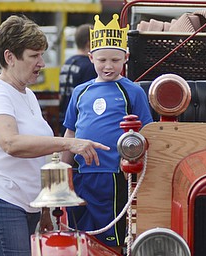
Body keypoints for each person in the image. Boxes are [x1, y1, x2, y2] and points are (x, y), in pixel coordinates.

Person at [0, 15, 110, 256]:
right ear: (10, 57)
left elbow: (36, 156)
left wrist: (44, 209)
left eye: (42, 55)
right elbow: (10, 143)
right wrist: (69, 142)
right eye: (34, 56)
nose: (41, 62)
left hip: (20, 204)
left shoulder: (27, 95)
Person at [62, 14, 153, 254]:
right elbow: (70, 131)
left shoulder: (133, 91)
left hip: (114, 175)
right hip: (81, 174)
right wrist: (64, 171)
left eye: (115, 59)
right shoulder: (80, 92)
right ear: (91, 57)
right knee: (81, 233)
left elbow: (147, 133)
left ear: (126, 58)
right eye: (102, 59)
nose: (108, 66)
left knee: (111, 237)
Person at [59, 23, 97, 135]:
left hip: (64, 115)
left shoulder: (68, 62)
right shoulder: (89, 66)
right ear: (89, 44)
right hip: (79, 118)